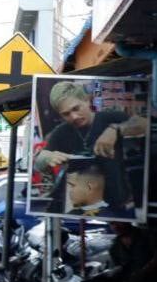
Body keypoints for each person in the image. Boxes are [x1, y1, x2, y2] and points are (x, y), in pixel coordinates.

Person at [34, 81, 148, 214]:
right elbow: (38, 163)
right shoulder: (61, 133)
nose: (74, 117)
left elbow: (144, 123)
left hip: (118, 205)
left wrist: (116, 129)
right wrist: (47, 157)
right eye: (66, 114)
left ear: (87, 100)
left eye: (76, 108)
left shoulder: (110, 118)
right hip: (81, 208)